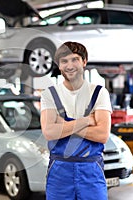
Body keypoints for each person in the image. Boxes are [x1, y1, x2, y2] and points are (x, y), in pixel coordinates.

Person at [40, 41, 112, 200]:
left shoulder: (99, 93)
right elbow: (49, 132)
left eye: (75, 60)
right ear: (59, 66)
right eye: (64, 61)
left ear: (84, 62)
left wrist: (63, 125)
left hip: (91, 171)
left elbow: (102, 135)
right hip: (59, 172)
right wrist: (86, 121)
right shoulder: (49, 94)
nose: (69, 65)